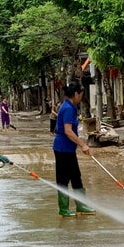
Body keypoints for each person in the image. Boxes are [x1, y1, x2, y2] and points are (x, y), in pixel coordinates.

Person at [53, 81, 95, 217]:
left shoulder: (70, 107)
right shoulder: (68, 108)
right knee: (63, 179)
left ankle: (81, 206)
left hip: (68, 149)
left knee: (76, 177)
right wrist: (83, 144)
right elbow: (68, 131)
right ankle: (64, 209)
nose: (81, 97)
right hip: (63, 148)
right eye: (81, 94)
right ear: (76, 94)